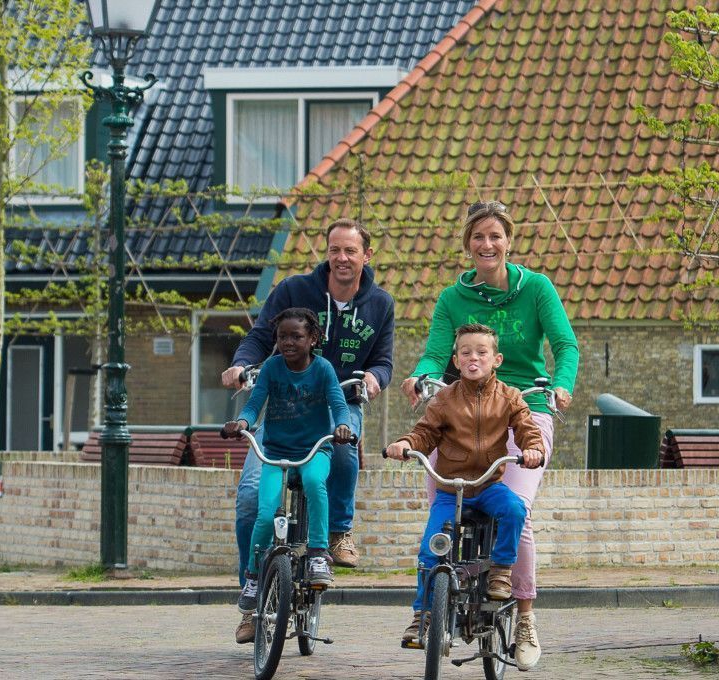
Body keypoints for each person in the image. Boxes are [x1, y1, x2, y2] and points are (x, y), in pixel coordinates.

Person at [397, 200, 577, 668]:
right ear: (467, 244)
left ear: (508, 241)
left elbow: (564, 344)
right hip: (462, 409)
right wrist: (421, 378)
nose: (487, 244)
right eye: (478, 237)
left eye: (495, 236)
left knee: (517, 508)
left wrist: (560, 385)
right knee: (445, 501)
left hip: (525, 410)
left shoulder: (536, 288)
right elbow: (437, 353)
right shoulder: (452, 299)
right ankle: (436, 597)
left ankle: (524, 618)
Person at [222, 219, 395, 642]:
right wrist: (241, 365)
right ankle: (254, 595)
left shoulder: (380, 304)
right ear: (327, 252)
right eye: (335, 250)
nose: (341, 258)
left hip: (339, 403)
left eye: (350, 251)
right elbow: (260, 337)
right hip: (281, 408)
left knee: (344, 449)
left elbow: (384, 361)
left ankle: (337, 532)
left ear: (365, 256)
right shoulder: (293, 292)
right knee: (249, 501)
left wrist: (374, 378)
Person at [384, 323, 546, 649]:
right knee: (432, 546)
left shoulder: (509, 398)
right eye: (466, 353)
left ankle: (500, 570)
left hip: (488, 486)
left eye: (481, 353)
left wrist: (534, 449)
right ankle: (423, 615)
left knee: (514, 510)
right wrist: (405, 444)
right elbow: (425, 433)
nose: (474, 358)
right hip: (451, 490)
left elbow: (527, 428)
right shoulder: (444, 400)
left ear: (496, 359)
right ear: (456, 361)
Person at [223, 307, 355, 616]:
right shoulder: (271, 367)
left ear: (312, 339)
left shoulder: (323, 369)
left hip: (314, 450)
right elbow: (255, 404)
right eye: (282, 337)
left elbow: (339, 404)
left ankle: (319, 553)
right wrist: (242, 423)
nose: (288, 342)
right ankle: (253, 577)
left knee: (313, 482)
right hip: (276, 453)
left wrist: (342, 426)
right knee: (265, 511)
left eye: (296, 336)